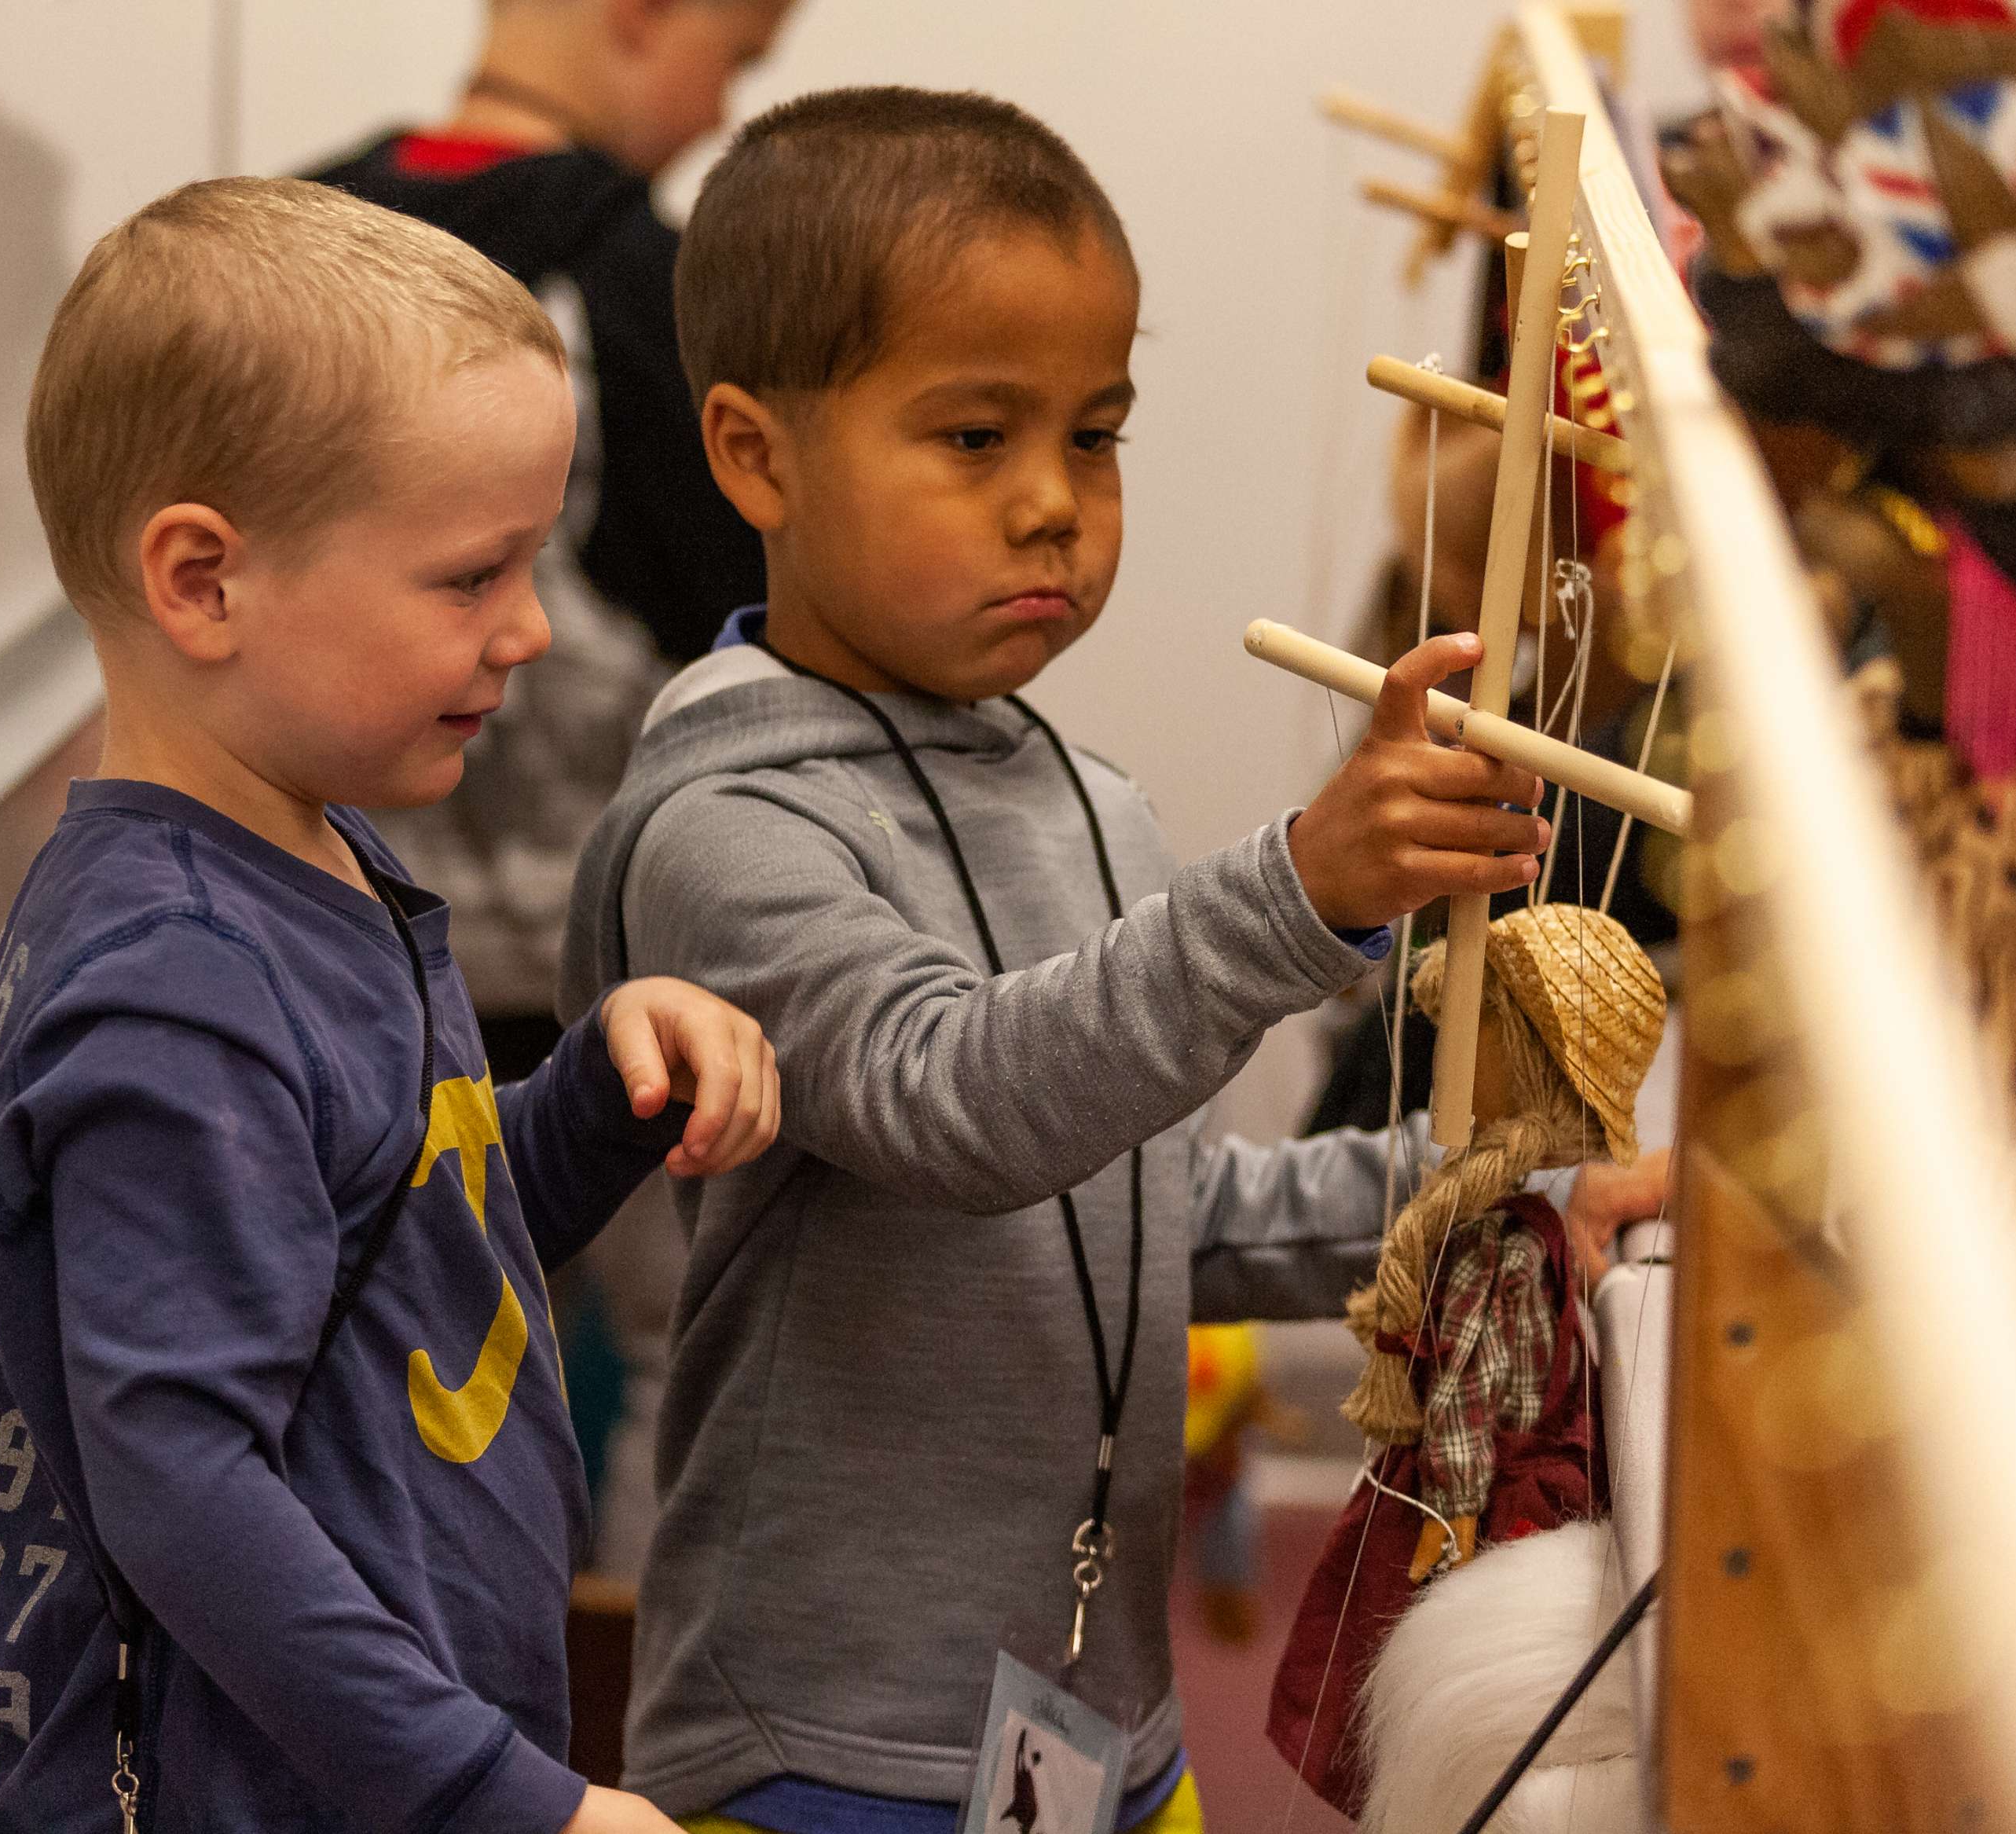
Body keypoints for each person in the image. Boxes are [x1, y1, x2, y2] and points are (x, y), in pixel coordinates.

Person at [558, 89, 1664, 1834]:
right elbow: (960, 1101)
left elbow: (1145, 1217)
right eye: (976, 439)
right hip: (828, 1747)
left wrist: (1476, 1211)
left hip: (1097, 1732)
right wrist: (1296, 893)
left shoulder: (1086, 803)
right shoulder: (725, 831)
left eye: (1096, 435)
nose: (1054, 507)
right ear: (755, 454)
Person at [0, 176, 784, 1834]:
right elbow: (181, 1494)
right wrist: (500, 1796)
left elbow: (406, 1258)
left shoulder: (310, 851)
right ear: (202, 582)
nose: (532, 630)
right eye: (470, 577)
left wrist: (594, 1107)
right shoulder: (177, 992)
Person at [308, 0, 796, 1578]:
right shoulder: (642, 288)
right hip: (621, 970)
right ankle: (626, 1732)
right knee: (685, 1366)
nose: (724, 111)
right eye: (736, 58)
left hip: (352, 952)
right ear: (643, 20)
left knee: (382, 1369)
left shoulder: (298, 239)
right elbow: (740, 629)